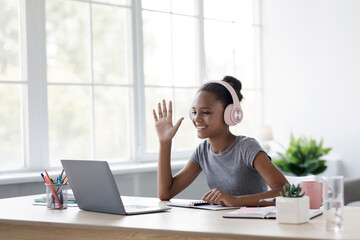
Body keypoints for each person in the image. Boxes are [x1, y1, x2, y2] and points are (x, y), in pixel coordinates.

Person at [152, 76, 288, 207]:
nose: (197, 118)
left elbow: (285, 191)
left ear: (230, 114)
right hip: (222, 224)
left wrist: (235, 200)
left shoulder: (246, 147)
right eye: (194, 112)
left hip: (254, 226)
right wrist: (165, 142)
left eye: (205, 112)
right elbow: (165, 193)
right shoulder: (203, 151)